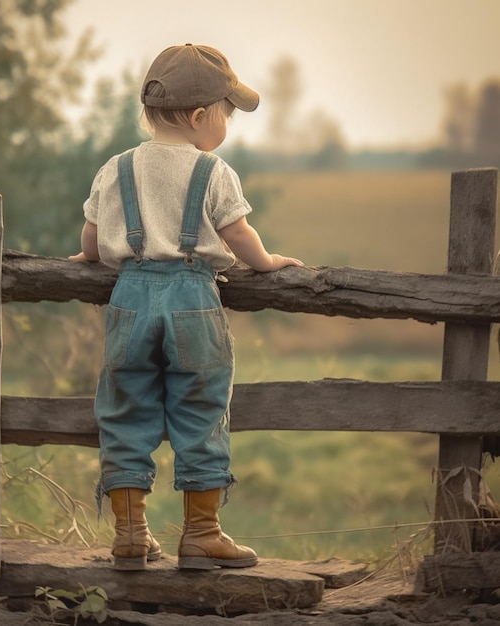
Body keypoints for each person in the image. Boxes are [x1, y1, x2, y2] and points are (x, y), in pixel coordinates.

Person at [69, 43, 304, 571]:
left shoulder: (116, 168)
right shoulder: (213, 171)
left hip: (130, 296)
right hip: (193, 298)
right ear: (200, 117)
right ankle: (201, 534)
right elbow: (237, 233)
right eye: (227, 114)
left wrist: (86, 258)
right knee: (200, 410)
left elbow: (90, 238)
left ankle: (130, 535)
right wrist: (265, 264)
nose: (228, 126)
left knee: (126, 408)